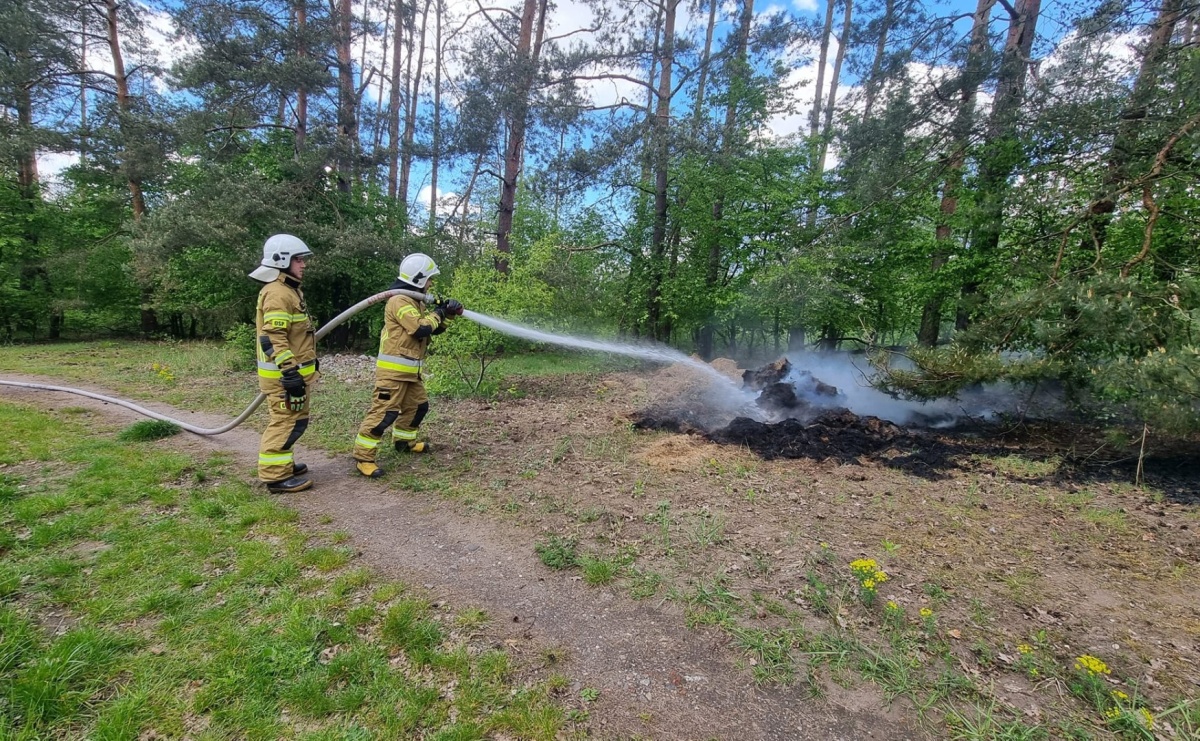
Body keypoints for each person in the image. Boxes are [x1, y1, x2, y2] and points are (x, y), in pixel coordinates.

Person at [352, 253, 463, 478]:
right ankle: (363, 457)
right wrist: (438, 312)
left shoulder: (415, 302)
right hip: (393, 374)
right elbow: (420, 328)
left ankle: (404, 442)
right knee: (383, 414)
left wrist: (448, 315)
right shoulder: (399, 301)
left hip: (411, 373)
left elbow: (435, 329)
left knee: (417, 407)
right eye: (429, 279)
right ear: (418, 279)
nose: (431, 284)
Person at [249, 234, 319, 493]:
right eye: (299, 259)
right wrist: (289, 372)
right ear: (282, 261)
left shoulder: (289, 290)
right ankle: (275, 477)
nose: (303, 264)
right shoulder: (278, 293)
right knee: (285, 422)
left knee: (295, 420)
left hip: (293, 376)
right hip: (284, 378)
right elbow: (274, 337)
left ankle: (283, 464)